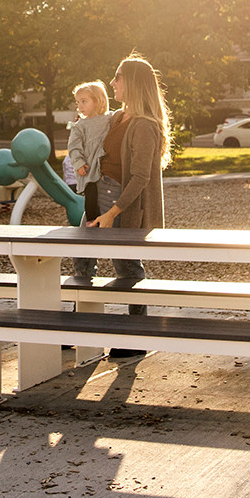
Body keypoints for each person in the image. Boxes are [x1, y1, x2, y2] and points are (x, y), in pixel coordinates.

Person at [86, 54, 172, 357]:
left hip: (123, 207)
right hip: (99, 199)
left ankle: (138, 336)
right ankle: (78, 326)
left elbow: (139, 179)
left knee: (127, 268)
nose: (112, 83)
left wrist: (111, 213)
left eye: (118, 76)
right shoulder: (117, 118)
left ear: (133, 82)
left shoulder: (145, 125)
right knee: (81, 259)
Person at [68, 80, 113, 280]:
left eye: (84, 101)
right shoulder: (80, 126)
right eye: (78, 102)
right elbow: (74, 147)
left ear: (98, 100)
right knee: (91, 199)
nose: (80, 106)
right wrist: (78, 162)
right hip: (89, 170)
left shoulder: (109, 119)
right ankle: (91, 225)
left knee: (100, 197)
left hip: (104, 170)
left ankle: (94, 227)